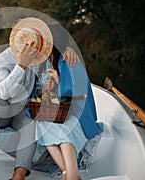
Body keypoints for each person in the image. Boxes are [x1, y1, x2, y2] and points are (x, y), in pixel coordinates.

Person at [0, 17, 80, 180]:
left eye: (34, 42)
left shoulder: (38, 58)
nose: (31, 47)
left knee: (31, 124)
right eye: (26, 42)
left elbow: (52, 58)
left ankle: (20, 174)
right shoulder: (1, 60)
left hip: (23, 110)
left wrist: (67, 49)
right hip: (3, 111)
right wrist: (21, 65)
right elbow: (3, 93)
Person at [31, 24, 103, 180]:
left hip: (76, 112)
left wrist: (57, 81)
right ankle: (69, 173)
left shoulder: (70, 59)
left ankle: (71, 176)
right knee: (42, 127)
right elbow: (50, 97)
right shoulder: (44, 62)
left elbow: (76, 95)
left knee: (63, 133)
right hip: (57, 110)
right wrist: (49, 90)